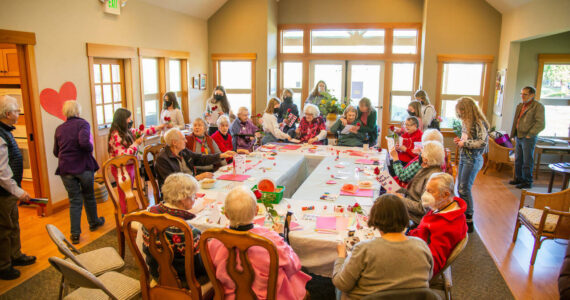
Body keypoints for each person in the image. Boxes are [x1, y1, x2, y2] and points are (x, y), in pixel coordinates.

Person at [207, 186, 311, 300]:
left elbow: (210, 268)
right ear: (256, 211)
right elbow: (293, 265)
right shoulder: (270, 240)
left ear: (226, 214)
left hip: (230, 295)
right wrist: (281, 236)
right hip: (267, 296)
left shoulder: (215, 240)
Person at [333, 194, 433, 299]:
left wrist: (341, 256)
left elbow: (341, 283)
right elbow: (428, 277)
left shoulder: (364, 249)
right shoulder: (422, 246)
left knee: (341, 285)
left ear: (374, 217)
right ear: (405, 216)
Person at [54, 101, 105, 244]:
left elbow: (55, 151)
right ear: (78, 111)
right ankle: (94, 222)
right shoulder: (83, 124)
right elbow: (84, 143)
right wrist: (90, 148)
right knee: (89, 195)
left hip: (66, 168)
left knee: (74, 200)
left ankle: (75, 234)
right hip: (83, 166)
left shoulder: (59, 128)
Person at [142, 173, 207, 284]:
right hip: (185, 282)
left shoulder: (149, 215)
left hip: (157, 274)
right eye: (193, 195)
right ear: (182, 198)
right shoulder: (187, 230)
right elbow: (200, 266)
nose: (196, 197)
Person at [0, 95, 36, 280]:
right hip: (3, 192)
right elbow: (2, 172)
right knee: (5, 228)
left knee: (13, 223)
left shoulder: (6, 131)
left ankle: (16, 255)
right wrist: (18, 191)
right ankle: (4, 265)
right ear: (7, 114)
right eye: (16, 111)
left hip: (9, 191)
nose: (18, 113)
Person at [108, 108, 167, 214]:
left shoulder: (127, 131)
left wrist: (159, 127)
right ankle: (125, 215)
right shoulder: (116, 135)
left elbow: (142, 132)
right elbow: (123, 156)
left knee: (129, 191)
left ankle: (128, 213)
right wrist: (136, 144)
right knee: (124, 194)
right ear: (122, 120)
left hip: (130, 166)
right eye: (128, 118)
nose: (130, 120)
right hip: (121, 168)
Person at [408, 173, 468, 276]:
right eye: (426, 190)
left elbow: (432, 265)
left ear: (446, 194)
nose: (425, 195)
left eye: (430, 192)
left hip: (416, 261)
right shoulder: (442, 206)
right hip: (414, 243)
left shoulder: (447, 226)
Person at [454, 97, 489, 233]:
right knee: (460, 187)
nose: (460, 114)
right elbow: (467, 139)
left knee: (465, 188)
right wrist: (461, 141)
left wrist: (465, 144)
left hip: (473, 159)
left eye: (461, 111)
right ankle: (463, 215)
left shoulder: (479, 123)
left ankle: (469, 219)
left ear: (466, 110)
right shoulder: (465, 122)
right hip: (465, 157)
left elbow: (482, 142)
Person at [155, 128, 235, 187]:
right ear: (174, 142)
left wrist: (221, 155)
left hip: (191, 186)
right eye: (183, 139)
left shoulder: (183, 152)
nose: (186, 141)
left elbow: (200, 158)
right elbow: (173, 184)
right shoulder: (162, 159)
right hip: (176, 194)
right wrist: (197, 178)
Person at [397, 141, 445, 224]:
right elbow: (413, 192)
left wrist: (400, 199)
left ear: (427, 158)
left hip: (414, 218)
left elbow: (421, 208)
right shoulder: (426, 168)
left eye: (422, 152)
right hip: (408, 208)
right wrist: (396, 188)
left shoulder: (432, 178)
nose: (420, 154)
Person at [509, 86, 545, 189]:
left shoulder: (538, 107)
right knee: (518, 159)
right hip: (519, 136)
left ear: (532, 95)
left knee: (527, 160)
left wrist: (530, 134)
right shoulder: (520, 106)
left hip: (528, 137)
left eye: (525, 94)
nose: (522, 96)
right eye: (521, 94)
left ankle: (527, 181)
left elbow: (540, 124)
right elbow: (516, 120)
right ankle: (518, 178)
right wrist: (513, 134)